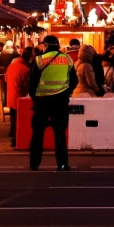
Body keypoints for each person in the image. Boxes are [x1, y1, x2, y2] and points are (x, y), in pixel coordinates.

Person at [29, 35, 76, 171]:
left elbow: (31, 83)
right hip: (60, 102)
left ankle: (35, 164)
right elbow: (74, 80)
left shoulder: (39, 60)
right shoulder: (67, 59)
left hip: (42, 102)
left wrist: (35, 97)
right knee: (60, 135)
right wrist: (66, 92)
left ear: (46, 46)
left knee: (37, 134)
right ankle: (62, 164)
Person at [5, 46, 34, 147]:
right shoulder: (25, 69)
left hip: (11, 95)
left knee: (13, 118)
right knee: (18, 120)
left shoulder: (12, 66)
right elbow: (28, 85)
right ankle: (15, 139)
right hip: (20, 97)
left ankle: (12, 133)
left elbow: (6, 79)